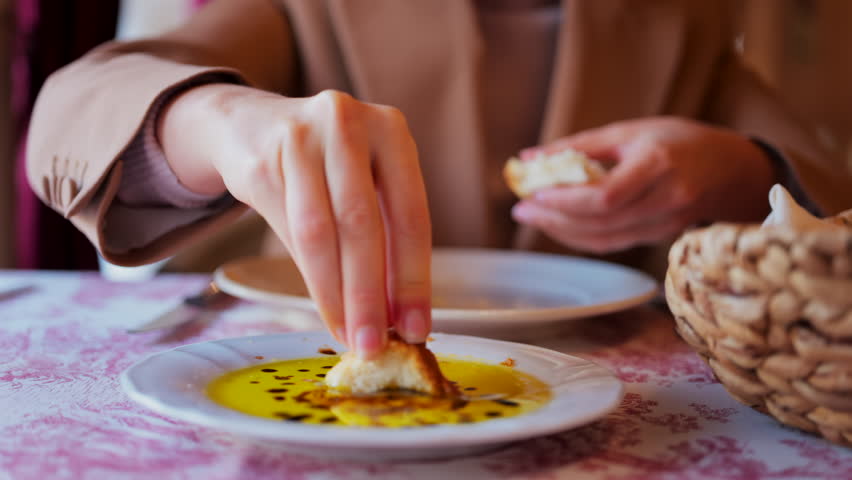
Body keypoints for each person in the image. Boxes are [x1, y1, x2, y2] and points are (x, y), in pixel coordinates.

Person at [26, 0, 852, 359]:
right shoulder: (309, 10)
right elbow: (75, 108)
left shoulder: (690, 20)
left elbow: (824, 180)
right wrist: (215, 122)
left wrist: (741, 172)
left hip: (614, 389)